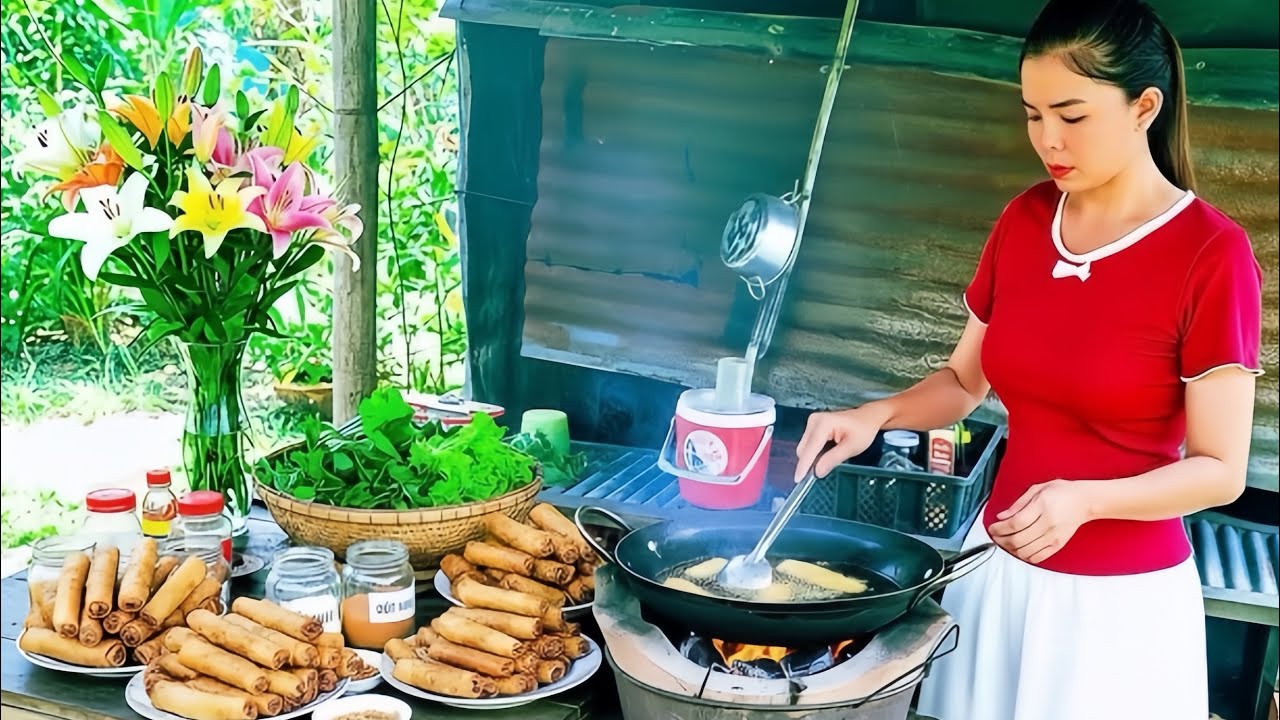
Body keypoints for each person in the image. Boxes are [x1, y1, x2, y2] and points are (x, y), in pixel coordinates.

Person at [793, 1, 1264, 718]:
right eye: (1033, 113)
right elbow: (961, 382)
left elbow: (1220, 471)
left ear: (1144, 106)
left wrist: (1087, 498)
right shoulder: (1024, 218)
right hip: (994, 568)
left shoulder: (1211, 254)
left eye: (1072, 117)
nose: (1049, 140)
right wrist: (875, 416)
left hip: (1113, 608)